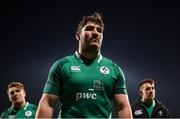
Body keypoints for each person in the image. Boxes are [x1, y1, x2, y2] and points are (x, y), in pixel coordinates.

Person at [35, 12, 132, 118]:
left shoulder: (114, 70)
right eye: (89, 28)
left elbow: (123, 107)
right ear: (78, 35)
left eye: (99, 30)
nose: (95, 33)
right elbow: (48, 103)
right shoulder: (61, 66)